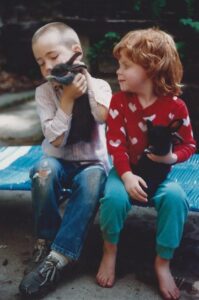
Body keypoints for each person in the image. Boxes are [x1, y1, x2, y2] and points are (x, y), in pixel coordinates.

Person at [96, 28, 196, 300]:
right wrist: (126, 176)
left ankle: (162, 262)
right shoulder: (118, 102)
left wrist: (171, 158)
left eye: (126, 66)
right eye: (119, 65)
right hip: (125, 171)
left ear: (152, 69)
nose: (118, 71)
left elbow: (189, 145)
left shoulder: (176, 107)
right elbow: (115, 144)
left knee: (176, 199)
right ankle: (110, 251)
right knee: (114, 199)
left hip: (160, 176)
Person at [19, 22, 112, 297]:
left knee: (94, 178)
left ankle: (58, 259)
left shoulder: (101, 86)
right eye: (40, 62)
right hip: (58, 162)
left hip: (92, 164)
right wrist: (68, 100)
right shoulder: (44, 93)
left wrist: (85, 85)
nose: (47, 67)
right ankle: (46, 239)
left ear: (76, 53)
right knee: (42, 170)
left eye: (53, 57)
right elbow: (55, 139)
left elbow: (103, 116)